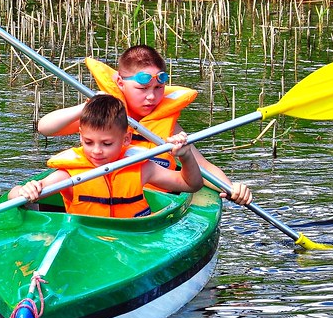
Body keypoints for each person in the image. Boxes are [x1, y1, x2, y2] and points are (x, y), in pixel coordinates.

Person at [36, 44, 253, 206]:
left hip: (154, 203)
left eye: (158, 89)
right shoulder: (106, 117)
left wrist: (232, 188)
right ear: (120, 83)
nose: (151, 97)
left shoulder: (168, 127)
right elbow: (45, 127)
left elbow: (204, 169)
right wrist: (87, 106)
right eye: (142, 89)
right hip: (97, 198)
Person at [9, 94, 203, 217]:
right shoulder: (69, 175)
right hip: (87, 243)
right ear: (81, 137)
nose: (96, 151)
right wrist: (27, 191)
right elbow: (14, 196)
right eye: (88, 142)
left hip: (132, 241)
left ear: (126, 139)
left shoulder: (141, 167)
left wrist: (185, 156)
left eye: (107, 144)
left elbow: (191, 184)